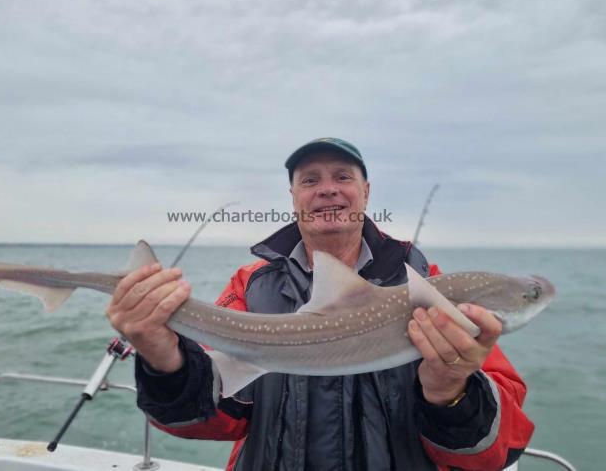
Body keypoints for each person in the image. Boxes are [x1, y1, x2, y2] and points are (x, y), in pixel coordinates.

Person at [106, 138, 534, 470]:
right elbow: (216, 419)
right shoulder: (251, 289)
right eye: (310, 180)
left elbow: (502, 447)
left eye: (343, 177)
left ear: (366, 192)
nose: (327, 190)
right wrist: (166, 361)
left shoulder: (433, 296)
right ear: (293, 197)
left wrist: (452, 392)